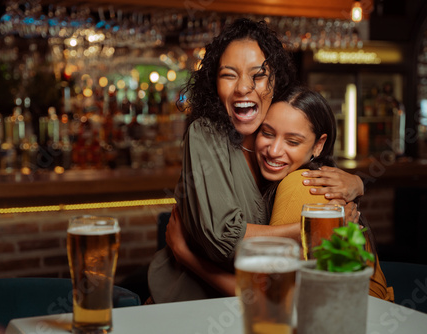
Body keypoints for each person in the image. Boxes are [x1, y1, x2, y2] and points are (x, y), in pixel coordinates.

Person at [147, 18, 365, 303]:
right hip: (186, 305)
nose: (243, 88)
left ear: (275, 82)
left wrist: (358, 183)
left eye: (258, 75)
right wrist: (314, 228)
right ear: (214, 82)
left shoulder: (278, 139)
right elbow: (224, 241)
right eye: (229, 75)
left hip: (257, 307)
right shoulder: (206, 133)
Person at [167, 86, 394, 301]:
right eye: (267, 133)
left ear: (318, 145)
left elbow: (266, 294)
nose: (274, 151)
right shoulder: (311, 180)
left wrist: (186, 256)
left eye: (292, 141)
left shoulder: (299, 185)